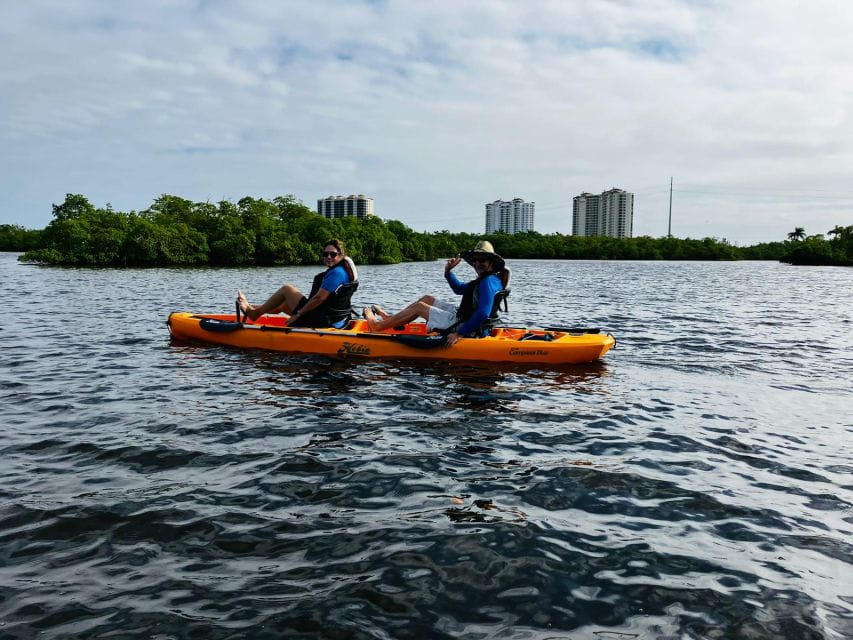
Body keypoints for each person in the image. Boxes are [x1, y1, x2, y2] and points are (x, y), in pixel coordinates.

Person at [363, 240, 506, 346]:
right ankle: (391, 319)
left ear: (491, 262)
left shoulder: (487, 282)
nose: (477, 263)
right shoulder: (489, 279)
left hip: (466, 325)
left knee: (420, 307)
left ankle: (377, 326)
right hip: (464, 316)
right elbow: (459, 289)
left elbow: (483, 313)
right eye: (475, 260)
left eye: (482, 260)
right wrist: (448, 272)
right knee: (427, 299)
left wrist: (458, 334)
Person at [237, 239, 358, 328]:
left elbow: (319, 298)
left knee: (287, 289)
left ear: (341, 255)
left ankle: (253, 313)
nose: (328, 257)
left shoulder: (337, 273)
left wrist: (298, 314)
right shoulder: (343, 270)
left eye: (333, 254)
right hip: (337, 318)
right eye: (325, 254)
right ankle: (251, 308)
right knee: (283, 305)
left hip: (324, 320)